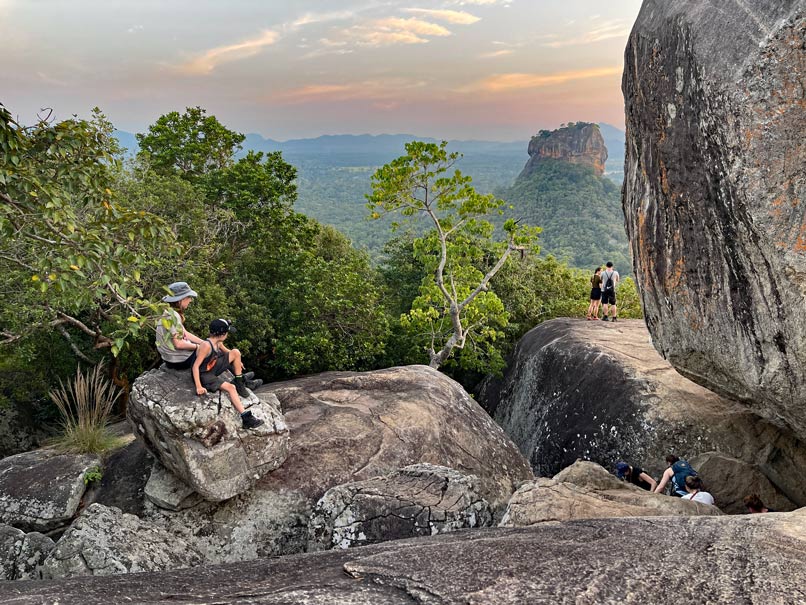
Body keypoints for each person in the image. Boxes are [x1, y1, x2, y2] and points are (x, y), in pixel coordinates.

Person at [193, 319, 264, 430]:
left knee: (236, 352)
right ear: (222, 334)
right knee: (231, 388)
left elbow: (228, 352)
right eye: (227, 332)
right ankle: (246, 418)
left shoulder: (218, 342)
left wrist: (237, 360)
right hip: (206, 375)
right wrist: (198, 386)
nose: (227, 335)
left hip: (213, 367)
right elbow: (196, 366)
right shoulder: (206, 346)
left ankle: (240, 381)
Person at [155, 281, 205, 369]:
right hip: (180, 360)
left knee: (210, 347)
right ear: (180, 300)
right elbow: (179, 344)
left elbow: (185, 333)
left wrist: (203, 343)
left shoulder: (168, 312)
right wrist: (199, 347)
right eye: (188, 297)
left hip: (169, 359)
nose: (190, 300)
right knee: (215, 355)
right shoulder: (173, 316)